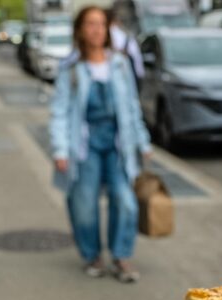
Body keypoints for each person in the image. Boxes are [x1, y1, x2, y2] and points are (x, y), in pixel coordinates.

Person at [50, 5, 151, 283]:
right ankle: (92, 255)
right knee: (84, 202)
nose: (96, 30)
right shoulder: (71, 68)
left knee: (125, 200)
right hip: (84, 145)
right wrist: (60, 149)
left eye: (101, 24)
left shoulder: (120, 64)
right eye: (90, 24)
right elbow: (60, 111)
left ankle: (121, 256)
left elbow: (131, 106)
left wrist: (142, 141)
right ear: (80, 30)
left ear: (108, 29)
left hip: (118, 144)